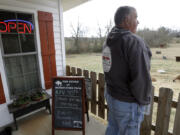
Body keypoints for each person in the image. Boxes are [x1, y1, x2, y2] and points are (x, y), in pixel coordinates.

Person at [102, 6, 152, 135]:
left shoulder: (109, 39)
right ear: (126, 20)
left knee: (113, 128)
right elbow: (141, 78)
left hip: (112, 95)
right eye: (136, 17)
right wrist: (143, 102)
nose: (138, 21)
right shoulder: (133, 41)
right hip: (126, 103)